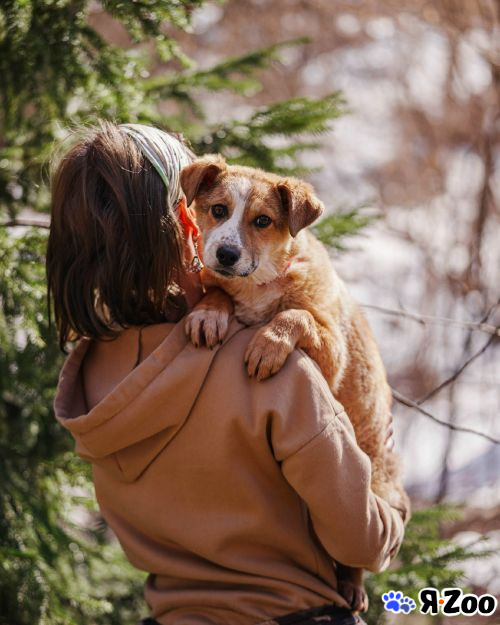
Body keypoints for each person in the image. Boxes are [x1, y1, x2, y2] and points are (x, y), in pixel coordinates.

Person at [48, 121, 405, 625]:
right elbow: (361, 541)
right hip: (292, 614)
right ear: (188, 219)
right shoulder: (274, 371)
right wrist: (394, 507)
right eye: (214, 211)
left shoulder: (88, 377)